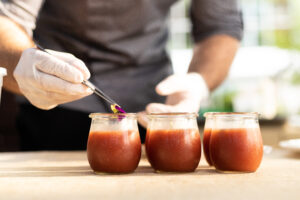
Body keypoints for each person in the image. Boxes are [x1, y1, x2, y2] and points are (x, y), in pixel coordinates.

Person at [0, 0, 243, 150]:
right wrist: (23, 63)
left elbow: (220, 24)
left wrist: (198, 81)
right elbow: (6, 20)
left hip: (154, 112)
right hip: (53, 107)